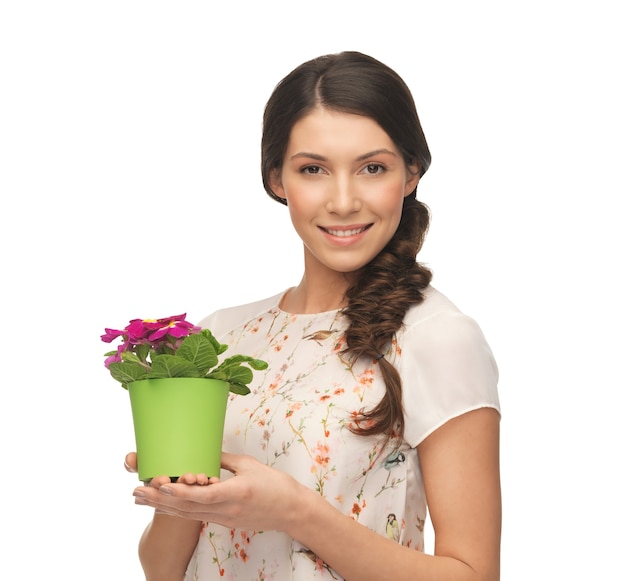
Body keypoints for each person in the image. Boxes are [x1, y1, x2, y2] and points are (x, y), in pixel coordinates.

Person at [126, 51, 501, 581]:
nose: (344, 201)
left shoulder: (437, 338)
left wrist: (292, 511)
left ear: (411, 173)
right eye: (313, 170)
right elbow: (162, 569)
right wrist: (176, 494)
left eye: (373, 168)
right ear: (277, 179)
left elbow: (473, 575)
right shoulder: (222, 337)